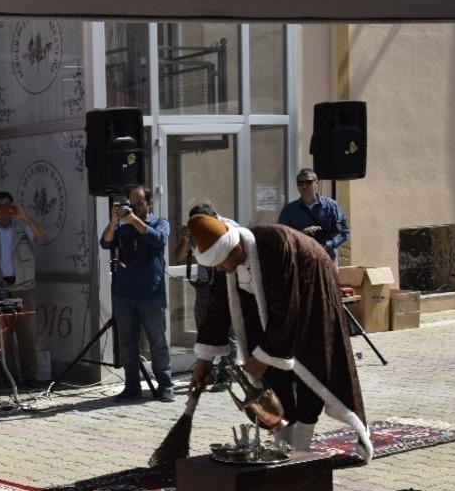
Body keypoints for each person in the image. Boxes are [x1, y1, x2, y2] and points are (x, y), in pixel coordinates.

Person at [185, 214, 372, 458]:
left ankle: (301, 447)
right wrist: (203, 362)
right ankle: (284, 443)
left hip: (311, 291)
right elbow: (217, 310)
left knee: (310, 369)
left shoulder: (275, 245)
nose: (220, 270)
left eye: (222, 264)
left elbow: (287, 309)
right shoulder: (225, 258)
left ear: (237, 247)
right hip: (277, 309)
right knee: (272, 376)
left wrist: (263, 358)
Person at [98, 185, 175, 403]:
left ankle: (165, 386)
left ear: (149, 202)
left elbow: (160, 240)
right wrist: (114, 221)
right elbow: (105, 243)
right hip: (124, 294)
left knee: (157, 341)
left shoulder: (159, 222)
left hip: (151, 293)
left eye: (139, 203)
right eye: (131, 203)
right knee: (127, 343)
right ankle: (132, 386)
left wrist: (134, 221)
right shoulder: (122, 226)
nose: (134, 207)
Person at [0, 191, 46, 387]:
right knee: (2, 337)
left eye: (8, 204)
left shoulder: (22, 226)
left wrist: (25, 216)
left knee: (27, 335)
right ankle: (8, 377)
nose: (4, 209)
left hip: (24, 287)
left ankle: (30, 378)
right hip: (0, 288)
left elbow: (41, 235)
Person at [174, 203, 237, 388]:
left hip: (225, 286)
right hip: (204, 287)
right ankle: (208, 372)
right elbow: (179, 256)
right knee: (204, 330)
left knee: (229, 332)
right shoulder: (195, 231)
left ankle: (227, 375)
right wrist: (187, 238)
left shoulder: (230, 227)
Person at [278, 168, 349, 267]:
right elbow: (282, 236)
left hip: (327, 258)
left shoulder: (331, 206)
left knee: (328, 283)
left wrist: (327, 245)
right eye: (300, 183)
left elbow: (343, 231)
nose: (304, 186)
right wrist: (301, 234)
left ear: (316, 183)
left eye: (308, 182)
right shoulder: (289, 210)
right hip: (302, 260)